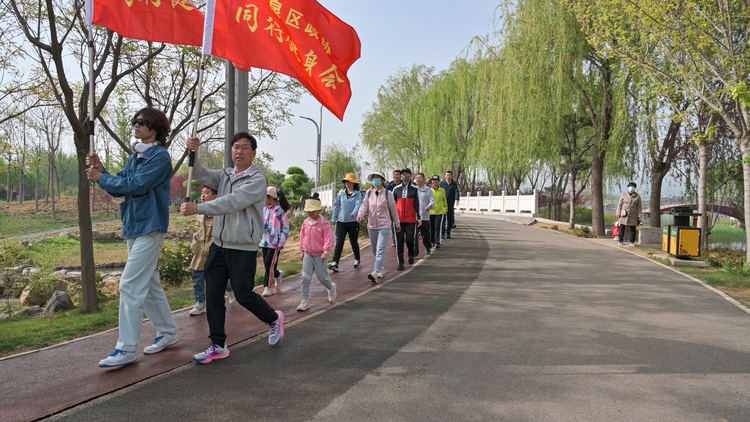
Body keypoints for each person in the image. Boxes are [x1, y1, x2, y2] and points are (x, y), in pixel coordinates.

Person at [181, 132, 284, 364]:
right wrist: (193, 152)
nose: (239, 151)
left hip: (243, 247)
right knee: (213, 294)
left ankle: (273, 318)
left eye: (245, 148)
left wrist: (200, 208)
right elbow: (200, 173)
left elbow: (233, 202)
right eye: (236, 147)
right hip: (218, 244)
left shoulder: (257, 179)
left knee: (243, 294)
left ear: (253, 153)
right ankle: (217, 344)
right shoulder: (225, 175)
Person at [87, 107, 179, 368]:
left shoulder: (160, 157)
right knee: (148, 283)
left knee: (129, 284)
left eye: (142, 122)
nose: (136, 126)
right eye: (135, 121)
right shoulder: (134, 157)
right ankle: (169, 332)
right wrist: (102, 170)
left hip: (150, 227)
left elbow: (136, 185)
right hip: (133, 225)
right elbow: (121, 185)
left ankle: (126, 348)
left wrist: (101, 177)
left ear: (155, 128)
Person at [188, 186, 236, 316]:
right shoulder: (200, 214)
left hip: (212, 251)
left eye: (206, 193)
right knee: (197, 276)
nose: (203, 196)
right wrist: (194, 244)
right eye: (202, 193)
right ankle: (200, 303)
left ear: (215, 197)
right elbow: (198, 232)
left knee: (216, 277)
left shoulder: (219, 214)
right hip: (199, 251)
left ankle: (231, 290)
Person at [357, 170, 401, 283]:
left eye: (377, 178)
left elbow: (393, 210)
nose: (375, 180)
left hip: (384, 226)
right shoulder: (369, 194)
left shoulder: (388, 194)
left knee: (380, 250)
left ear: (382, 180)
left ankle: (375, 272)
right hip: (371, 226)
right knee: (374, 250)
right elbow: (364, 206)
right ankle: (381, 268)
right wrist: (360, 215)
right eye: (373, 178)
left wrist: (397, 223)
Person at [297, 198, 337, 311]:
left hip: (320, 255)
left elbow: (328, 238)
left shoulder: (324, 223)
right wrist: (302, 250)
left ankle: (331, 287)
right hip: (308, 255)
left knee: (322, 277)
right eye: (308, 211)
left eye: (313, 211)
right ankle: (304, 301)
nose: (310, 213)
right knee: (305, 278)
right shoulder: (305, 222)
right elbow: (302, 237)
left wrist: (326, 251)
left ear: (319, 210)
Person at [260, 186, 290, 297]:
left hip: (275, 243)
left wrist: (281, 243)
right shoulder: (265, 209)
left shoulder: (281, 212)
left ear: (271, 197)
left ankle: (267, 287)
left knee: (269, 265)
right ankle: (278, 274)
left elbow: (285, 229)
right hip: (264, 242)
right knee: (268, 265)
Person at [329, 173, 362, 272]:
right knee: (339, 242)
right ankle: (335, 262)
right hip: (341, 222)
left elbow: (358, 205)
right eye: (346, 182)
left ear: (353, 183)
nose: (347, 183)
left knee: (353, 242)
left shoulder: (358, 193)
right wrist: (334, 218)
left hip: (353, 222)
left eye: (349, 182)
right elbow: (336, 205)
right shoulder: (341, 193)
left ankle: (357, 259)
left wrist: (354, 213)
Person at [393, 168, 420, 270]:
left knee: (409, 240)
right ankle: (400, 262)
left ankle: (411, 253)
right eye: (403, 174)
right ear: (400, 176)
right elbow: (392, 204)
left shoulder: (415, 190)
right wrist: (393, 218)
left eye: (407, 174)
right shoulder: (396, 189)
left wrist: (419, 217)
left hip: (411, 220)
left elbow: (417, 204)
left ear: (410, 176)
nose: (405, 176)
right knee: (399, 242)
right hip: (399, 220)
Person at [616, 181, 643, 246]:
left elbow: (639, 206)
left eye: (633, 187)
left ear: (635, 188)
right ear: (628, 187)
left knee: (633, 229)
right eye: (630, 186)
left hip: (633, 215)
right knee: (622, 228)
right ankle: (620, 240)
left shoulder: (637, 196)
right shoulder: (623, 195)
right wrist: (618, 213)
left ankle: (632, 242)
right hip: (624, 214)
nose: (631, 188)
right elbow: (619, 204)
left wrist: (639, 215)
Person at [414, 173, 435, 256]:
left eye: (420, 178)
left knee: (425, 235)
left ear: (424, 180)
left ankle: (427, 247)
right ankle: (415, 253)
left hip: (424, 216)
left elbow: (432, 200)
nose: (418, 179)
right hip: (415, 216)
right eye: (417, 178)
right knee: (414, 236)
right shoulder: (413, 189)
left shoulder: (428, 190)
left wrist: (429, 206)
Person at [440, 171, 460, 239]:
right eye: (447, 175)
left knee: (450, 218)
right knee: (443, 219)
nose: (448, 176)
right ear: (445, 176)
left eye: (449, 175)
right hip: (442, 204)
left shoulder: (454, 184)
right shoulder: (442, 184)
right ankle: (442, 233)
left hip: (450, 203)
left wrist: (457, 199)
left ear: (451, 176)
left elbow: (456, 192)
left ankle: (448, 232)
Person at [430, 175, 448, 249]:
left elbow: (444, 200)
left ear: (439, 181)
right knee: (431, 228)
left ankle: (437, 241)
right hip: (431, 212)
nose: (435, 182)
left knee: (438, 227)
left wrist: (445, 209)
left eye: (436, 180)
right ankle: (432, 241)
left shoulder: (442, 190)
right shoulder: (429, 190)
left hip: (440, 212)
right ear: (431, 181)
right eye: (433, 180)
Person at [386, 169, 402, 247]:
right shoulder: (390, 185)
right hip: (392, 207)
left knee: (400, 223)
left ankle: (401, 237)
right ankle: (394, 240)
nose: (396, 176)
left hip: (401, 207)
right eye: (394, 174)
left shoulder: (403, 184)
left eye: (397, 174)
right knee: (393, 224)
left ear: (400, 176)